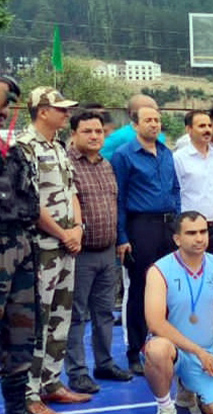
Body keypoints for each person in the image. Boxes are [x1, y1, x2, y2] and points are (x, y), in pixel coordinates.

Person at [0, 85, 57, 414]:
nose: (1, 109)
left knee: (22, 334)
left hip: (20, 247)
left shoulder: (10, 150)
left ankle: (16, 411)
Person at [18, 87, 91, 414]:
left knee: (61, 319)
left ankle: (51, 382)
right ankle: (29, 394)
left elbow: (72, 191)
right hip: (42, 248)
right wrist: (63, 233)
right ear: (42, 111)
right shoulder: (24, 147)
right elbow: (31, 202)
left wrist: (76, 230)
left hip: (66, 247)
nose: (66, 114)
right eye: (60, 109)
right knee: (39, 322)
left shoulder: (59, 148)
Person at [142, 212, 213, 414]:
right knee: (158, 349)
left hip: (206, 351)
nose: (199, 238)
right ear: (177, 239)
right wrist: (198, 352)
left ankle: (191, 386)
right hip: (173, 349)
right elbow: (156, 323)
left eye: (203, 232)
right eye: (192, 233)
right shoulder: (159, 270)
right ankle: (166, 408)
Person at [65, 111, 132, 396]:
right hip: (80, 253)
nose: (94, 136)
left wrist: (120, 239)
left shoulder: (106, 164)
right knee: (77, 316)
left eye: (98, 131)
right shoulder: (66, 164)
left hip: (107, 251)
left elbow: (115, 205)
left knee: (104, 312)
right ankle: (77, 372)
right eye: (87, 131)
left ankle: (104, 363)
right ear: (74, 134)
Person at [112, 105, 180, 375]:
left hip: (167, 226)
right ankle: (134, 351)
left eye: (157, 120)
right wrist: (122, 236)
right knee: (140, 289)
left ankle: (167, 346)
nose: (154, 124)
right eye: (148, 120)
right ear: (135, 125)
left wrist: (176, 222)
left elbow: (175, 189)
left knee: (169, 288)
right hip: (141, 226)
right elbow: (118, 198)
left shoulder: (166, 153)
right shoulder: (124, 156)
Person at [174, 110, 213, 259]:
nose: (207, 130)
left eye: (209, 126)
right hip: (192, 231)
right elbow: (176, 194)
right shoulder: (179, 158)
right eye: (201, 126)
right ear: (189, 130)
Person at [100, 94, 166, 160]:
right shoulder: (120, 137)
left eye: (157, 110)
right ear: (133, 114)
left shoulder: (159, 136)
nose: (155, 114)